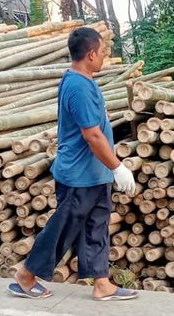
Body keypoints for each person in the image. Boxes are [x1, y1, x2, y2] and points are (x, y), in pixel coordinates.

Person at [9, 26, 139, 301]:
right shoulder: (78, 86)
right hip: (78, 175)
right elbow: (92, 135)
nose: (105, 56)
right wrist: (118, 166)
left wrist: (109, 169)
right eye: (103, 52)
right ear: (91, 54)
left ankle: (102, 283)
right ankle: (25, 276)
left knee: (96, 228)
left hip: (95, 173)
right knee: (63, 228)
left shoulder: (85, 81)